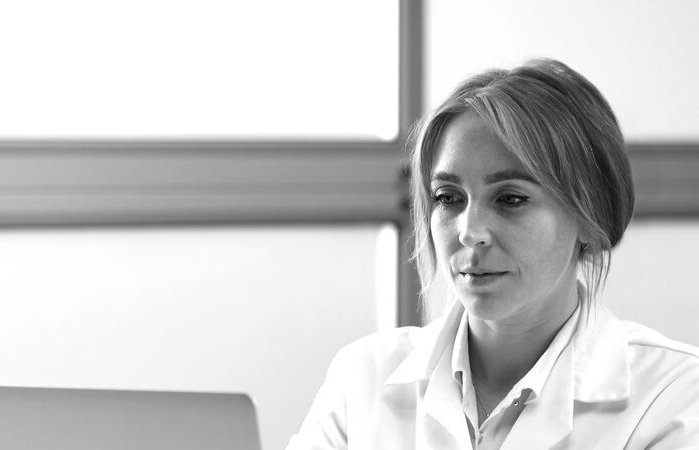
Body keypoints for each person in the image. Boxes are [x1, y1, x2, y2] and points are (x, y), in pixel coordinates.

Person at [287, 58, 699, 449]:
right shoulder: (361, 377)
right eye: (448, 198)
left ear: (589, 219)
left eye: (511, 199)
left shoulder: (674, 395)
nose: (469, 232)